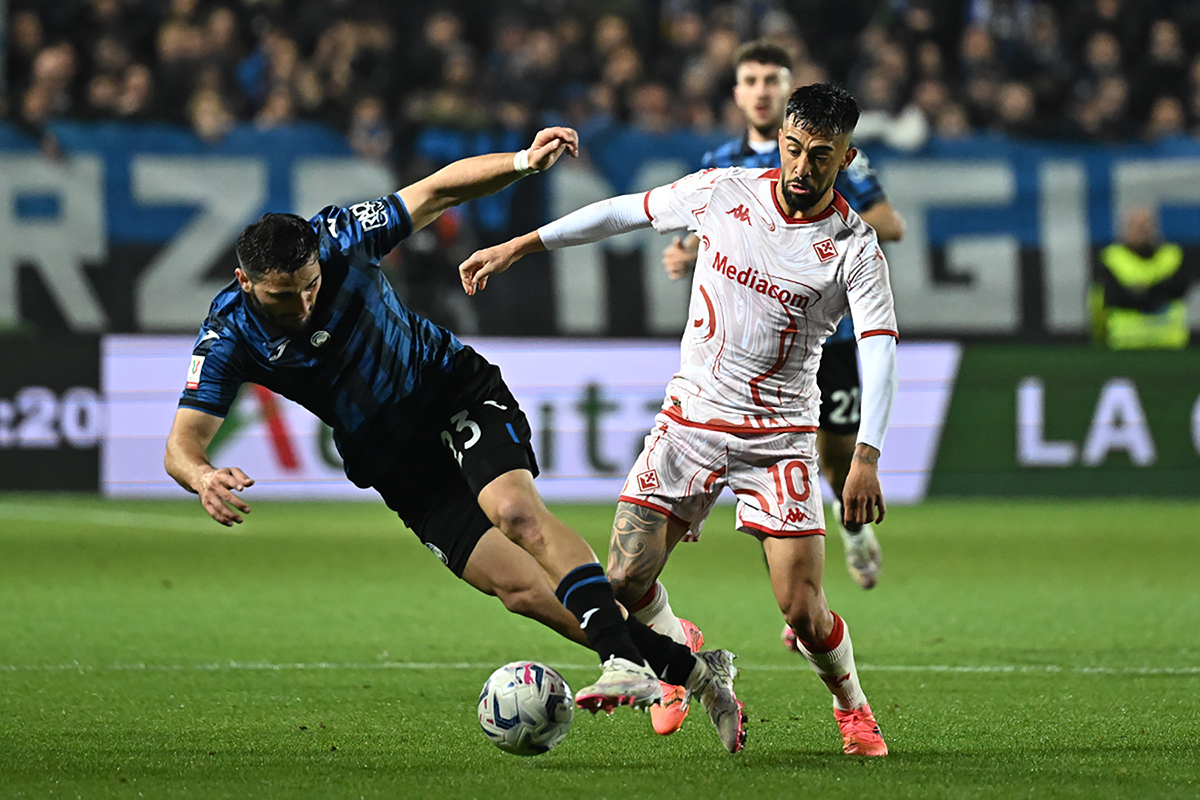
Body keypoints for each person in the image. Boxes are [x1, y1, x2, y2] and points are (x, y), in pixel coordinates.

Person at [163, 126, 745, 753]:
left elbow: (437, 191)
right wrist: (202, 475)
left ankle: (622, 659)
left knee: (515, 513)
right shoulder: (228, 334)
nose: (304, 303)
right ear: (245, 282)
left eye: (310, 286)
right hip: (394, 457)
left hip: (450, 391)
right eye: (284, 296)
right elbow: (181, 445)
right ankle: (695, 672)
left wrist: (522, 162)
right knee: (521, 590)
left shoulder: (340, 239)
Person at [459, 83, 898, 757]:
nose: (802, 167)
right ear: (781, 141)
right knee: (622, 583)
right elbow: (620, 213)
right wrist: (520, 246)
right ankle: (682, 647)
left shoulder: (854, 247)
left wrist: (865, 456)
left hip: (779, 438)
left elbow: (880, 350)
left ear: (847, 157)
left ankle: (853, 709)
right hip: (689, 422)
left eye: (821, 155)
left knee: (802, 611)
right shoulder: (724, 192)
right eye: (792, 148)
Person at [1090, 206, 1191, 350]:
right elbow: (1114, 297)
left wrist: (1139, 291)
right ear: (1125, 228)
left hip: (1169, 345)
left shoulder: (1173, 255)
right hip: (1126, 345)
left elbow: (1179, 288)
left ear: (1156, 227)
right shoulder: (1111, 258)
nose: (1141, 230)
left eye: (1145, 224)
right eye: (1134, 225)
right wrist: (1157, 291)